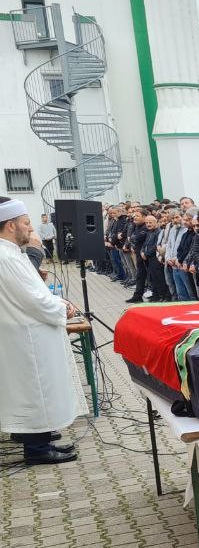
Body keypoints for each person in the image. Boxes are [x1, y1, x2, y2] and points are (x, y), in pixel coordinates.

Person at [0, 197, 80, 464]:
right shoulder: (6, 257)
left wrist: (56, 302)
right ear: (11, 225)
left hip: (26, 332)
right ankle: (37, 449)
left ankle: (40, 441)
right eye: (26, 223)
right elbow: (33, 299)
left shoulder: (11, 253)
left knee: (36, 389)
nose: (31, 228)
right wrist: (62, 307)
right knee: (36, 389)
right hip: (27, 336)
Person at [125, 209, 150, 303]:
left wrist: (132, 238)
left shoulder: (146, 226)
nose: (134, 217)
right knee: (140, 275)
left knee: (150, 276)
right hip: (139, 254)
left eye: (137, 216)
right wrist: (132, 238)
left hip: (146, 255)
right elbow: (132, 237)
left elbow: (137, 237)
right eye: (134, 216)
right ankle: (138, 296)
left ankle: (157, 295)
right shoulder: (137, 226)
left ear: (144, 217)